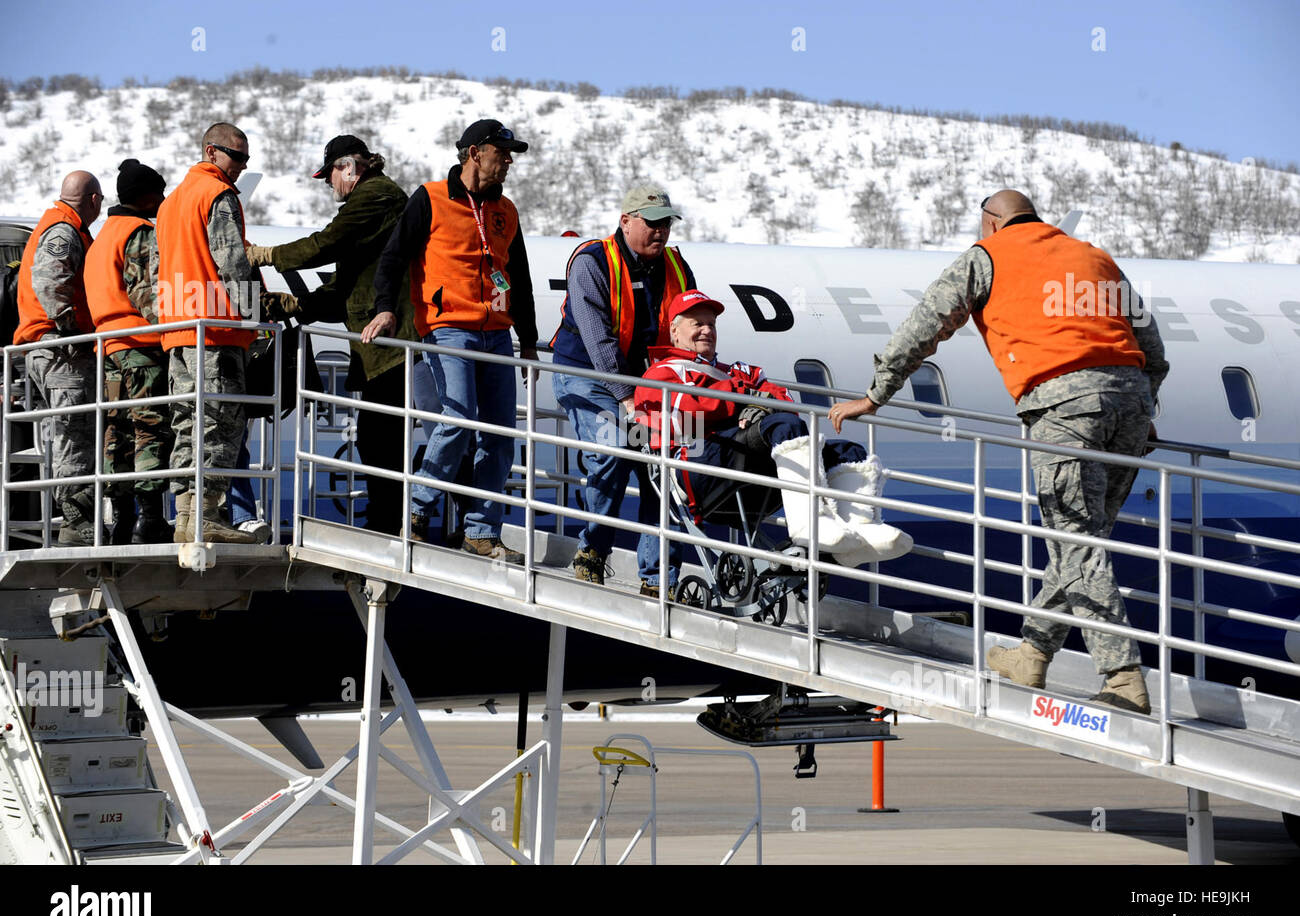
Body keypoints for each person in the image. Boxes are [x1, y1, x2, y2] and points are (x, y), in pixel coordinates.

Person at [829, 189, 1169, 714]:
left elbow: (926, 326)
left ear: (990, 222)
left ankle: (1122, 677)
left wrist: (876, 394)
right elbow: (1153, 349)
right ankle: (1032, 653)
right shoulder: (1094, 257)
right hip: (1131, 403)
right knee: (1080, 543)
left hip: (1064, 409)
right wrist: (1144, 409)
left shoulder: (987, 257)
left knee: (1076, 545)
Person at [634, 290, 910, 589]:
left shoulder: (734, 370)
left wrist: (753, 400)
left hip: (742, 462)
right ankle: (812, 525)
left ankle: (859, 528)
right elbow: (682, 414)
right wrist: (744, 397)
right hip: (695, 469)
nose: (707, 331)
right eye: (696, 323)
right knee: (784, 424)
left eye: (711, 324)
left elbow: (781, 395)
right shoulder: (660, 372)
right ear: (674, 330)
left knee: (848, 451)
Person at [365, 119, 537, 562]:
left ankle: (480, 531)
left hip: (497, 333)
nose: (509, 161)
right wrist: (386, 307)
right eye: (502, 152)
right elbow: (394, 257)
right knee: (458, 420)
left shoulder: (507, 211)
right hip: (449, 327)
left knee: (500, 435)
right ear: (475, 152)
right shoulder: (430, 198)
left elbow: (519, 278)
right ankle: (419, 510)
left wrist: (530, 340)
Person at [245, 134, 419, 535]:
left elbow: (327, 242)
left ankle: (390, 526)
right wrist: (298, 306)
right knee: (376, 439)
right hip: (377, 347)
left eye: (331, 177)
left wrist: (268, 255)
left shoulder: (376, 196)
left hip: (393, 344)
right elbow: (345, 285)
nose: (331, 187)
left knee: (383, 439)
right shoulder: (376, 207)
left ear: (350, 167)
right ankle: (385, 522)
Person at [549, 184, 696, 593]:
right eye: (651, 223)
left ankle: (658, 578)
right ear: (625, 221)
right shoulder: (592, 262)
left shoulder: (677, 266)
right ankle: (592, 551)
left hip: (649, 379)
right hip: (589, 375)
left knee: (666, 461)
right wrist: (629, 400)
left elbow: (690, 327)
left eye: (666, 223)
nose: (660, 231)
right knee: (614, 448)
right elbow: (599, 341)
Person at [153, 122, 262, 544]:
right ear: (212, 152)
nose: (241, 167)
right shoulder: (217, 195)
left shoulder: (170, 203)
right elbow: (233, 261)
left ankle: (185, 516)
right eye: (238, 157)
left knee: (188, 422)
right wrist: (253, 316)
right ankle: (207, 516)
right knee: (217, 421)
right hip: (215, 332)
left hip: (178, 332)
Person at [85, 159, 174, 544]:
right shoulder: (139, 232)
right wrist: (176, 327)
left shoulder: (102, 237)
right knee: (150, 427)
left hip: (108, 347)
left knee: (116, 432)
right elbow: (146, 292)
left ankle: (122, 520)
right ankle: (150, 518)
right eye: (161, 193)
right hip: (140, 345)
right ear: (148, 196)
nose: (164, 200)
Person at [13, 170, 104, 545]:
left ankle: (73, 519)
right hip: (59, 349)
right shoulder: (64, 231)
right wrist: (74, 331)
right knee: (74, 436)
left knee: (67, 433)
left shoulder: (58, 225)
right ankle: (75, 523)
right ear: (95, 201)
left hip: (48, 347)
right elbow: (50, 281)